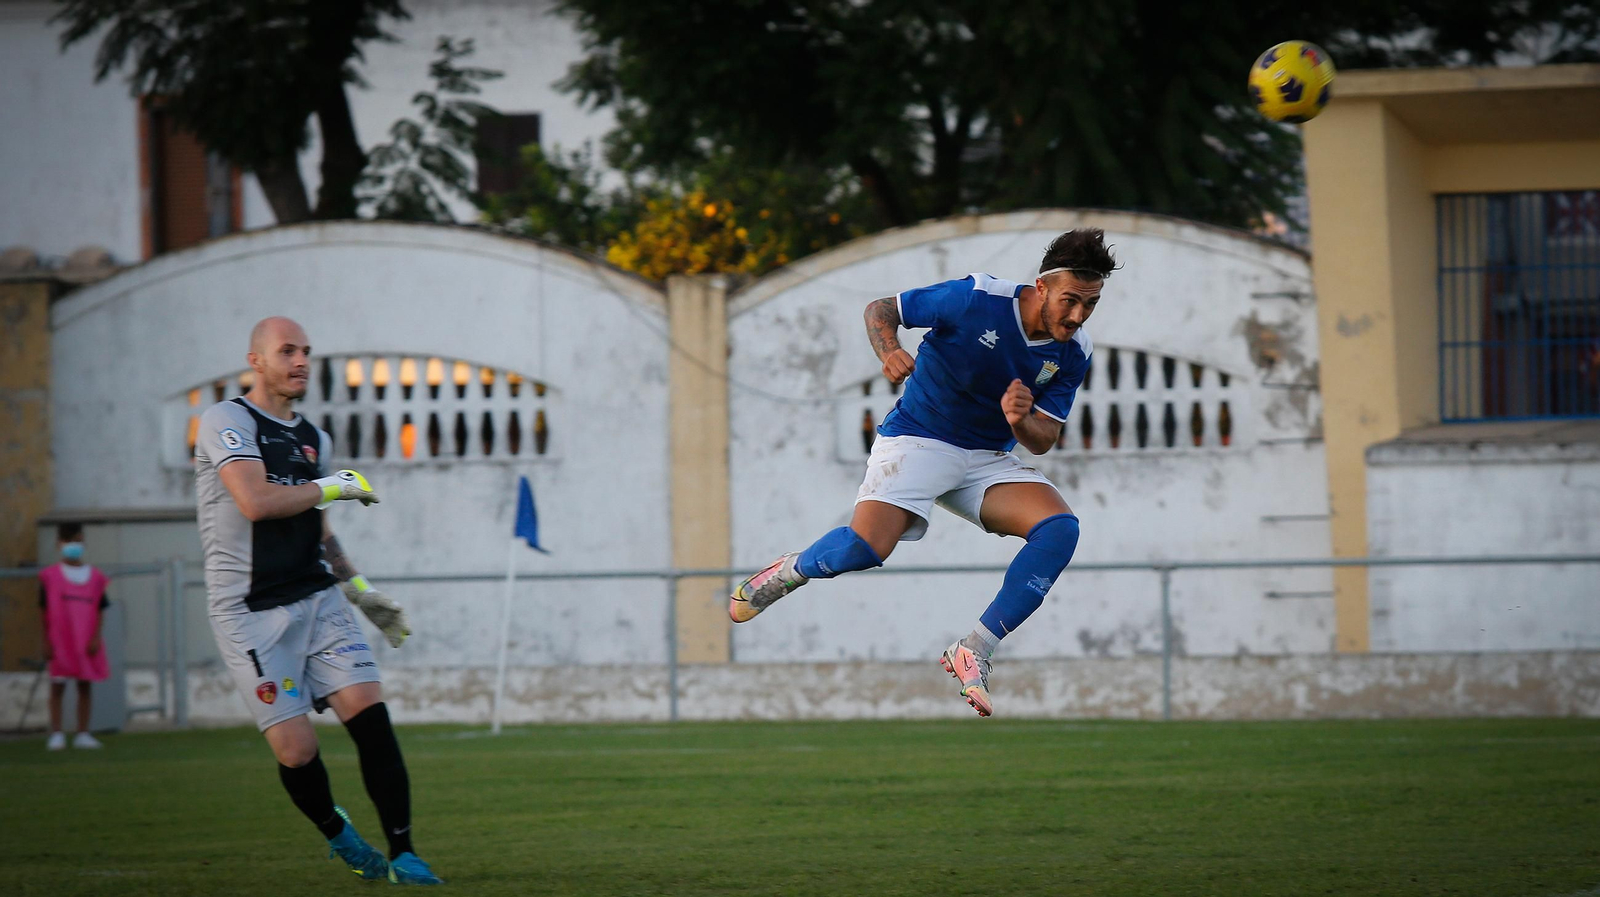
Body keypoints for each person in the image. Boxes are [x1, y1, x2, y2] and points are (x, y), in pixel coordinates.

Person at [730, 229, 1116, 717]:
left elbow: (1045, 437)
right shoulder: (975, 297)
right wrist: (889, 349)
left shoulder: (1074, 351)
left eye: (1091, 304)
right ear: (1041, 287)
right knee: (864, 549)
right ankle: (789, 571)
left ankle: (974, 648)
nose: (1078, 315)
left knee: (1059, 530)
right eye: (1070, 301)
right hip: (918, 437)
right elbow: (881, 310)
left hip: (983, 458)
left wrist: (1021, 420)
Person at [193, 316, 440, 885]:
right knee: (297, 752)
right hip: (250, 613)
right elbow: (254, 502)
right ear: (256, 360)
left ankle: (406, 854)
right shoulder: (226, 420)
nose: (301, 360)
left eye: (306, 351)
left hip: (318, 598)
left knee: (371, 718)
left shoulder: (315, 439)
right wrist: (334, 485)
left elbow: (320, 528)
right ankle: (340, 834)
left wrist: (360, 592)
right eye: (287, 350)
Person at [39, 522, 110, 750]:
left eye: (78, 541)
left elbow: (100, 609)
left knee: (84, 686)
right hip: (60, 641)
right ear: (59, 544)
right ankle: (57, 734)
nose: (74, 545)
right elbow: (43, 611)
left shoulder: (95, 577)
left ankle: (83, 734)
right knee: (57, 687)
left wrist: (96, 638)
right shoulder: (49, 577)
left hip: (85, 641)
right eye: (69, 541)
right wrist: (46, 641)